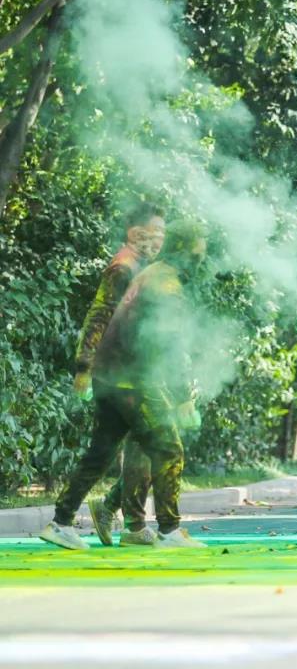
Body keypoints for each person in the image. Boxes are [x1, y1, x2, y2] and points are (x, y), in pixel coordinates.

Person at [41, 221, 209, 550]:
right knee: (168, 448)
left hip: (109, 374)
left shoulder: (153, 274)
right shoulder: (167, 285)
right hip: (134, 379)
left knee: (101, 452)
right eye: (197, 254)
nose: (200, 261)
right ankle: (169, 530)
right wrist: (182, 396)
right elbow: (170, 343)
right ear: (183, 251)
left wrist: (88, 366)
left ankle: (60, 523)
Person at [73, 202, 165, 547]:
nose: (159, 240)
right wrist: (84, 367)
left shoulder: (142, 267)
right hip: (119, 375)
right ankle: (128, 523)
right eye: (154, 232)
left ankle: (113, 511)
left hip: (135, 372)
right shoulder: (123, 267)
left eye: (163, 233)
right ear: (134, 233)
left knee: (148, 444)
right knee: (155, 442)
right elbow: (99, 315)